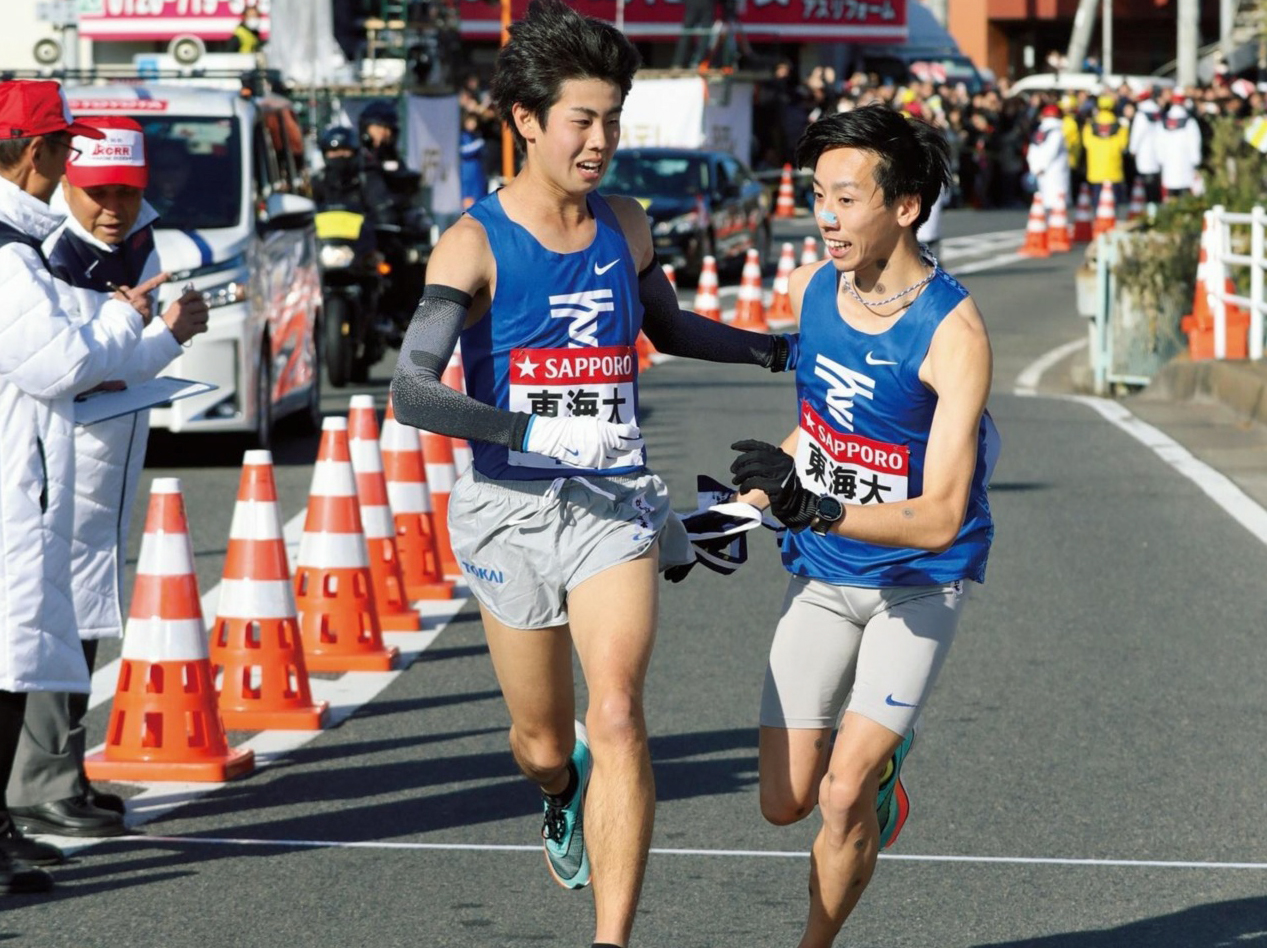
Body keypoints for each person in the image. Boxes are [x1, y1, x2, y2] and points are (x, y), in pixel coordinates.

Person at [388, 2, 793, 944]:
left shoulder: (627, 223)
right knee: (542, 742)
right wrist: (534, 426)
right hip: (509, 510)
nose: (602, 139)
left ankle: (611, 938)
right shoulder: (473, 243)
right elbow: (413, 392)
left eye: (613, 118)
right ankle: (558, 792)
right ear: (526, 121)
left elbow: (669, 328)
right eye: (583, 119)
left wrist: (779, 354)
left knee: (616, 713)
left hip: (615, 506)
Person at [727, 104, 996, 948]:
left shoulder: (954, 331)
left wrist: (824, 508)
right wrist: (746, 506)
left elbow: (942, 514)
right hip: (822, 572)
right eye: (817, 196)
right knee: (784, 802)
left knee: (838, 796)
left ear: (905, 205)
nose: (825, 218)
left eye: (846, 200)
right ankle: (876, 773)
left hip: (917, 586)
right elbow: (821, 430)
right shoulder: (818, 291)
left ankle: (816, 939)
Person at [6, 116, 209, 839]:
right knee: (36, 626)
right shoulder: (38, 247)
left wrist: (154, 340)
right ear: (58, 172)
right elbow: (68, 367)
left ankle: (61, 772)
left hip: (100, 459)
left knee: (79, 619)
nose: (113, 206)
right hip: (46, 465)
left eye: (128, 190)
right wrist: (156, 336)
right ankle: (35, 785)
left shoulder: (133, 238)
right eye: (97, 190)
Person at [0, 79, 158, 895]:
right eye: (67, 149)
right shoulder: (16, 250)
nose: (111, 203)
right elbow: (63, 364)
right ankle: (27, 801)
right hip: (25, 476)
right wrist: (136, 323)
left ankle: (18, 811)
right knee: (18, 648)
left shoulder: (26, 243)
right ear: (42, 156)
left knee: (32, 642)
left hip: (46, 469)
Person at [1082, 93, 1129, 210]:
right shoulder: (1120, 126)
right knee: (1112, 204)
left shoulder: (1090, 125)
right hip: (1114, 169)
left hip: (1095, 169)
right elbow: (1123, 145)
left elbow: (1086, 143)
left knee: (1097, 202)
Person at [1026, 103, 1070, 211]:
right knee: (1058, 201)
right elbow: (1051, 151)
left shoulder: (1040, 131)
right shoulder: (1057, 131)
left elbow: (1032, 151)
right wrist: (1042, 166)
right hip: (1055, 170)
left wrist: (1034, 168)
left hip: (1041, 171)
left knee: (1044, 200)